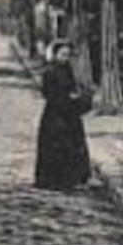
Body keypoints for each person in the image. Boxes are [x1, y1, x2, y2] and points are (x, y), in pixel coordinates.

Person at [34, 41, 92, 191]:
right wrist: (65, 98)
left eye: (67, 55)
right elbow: (48, 93)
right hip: (55, 115)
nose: (65, 58)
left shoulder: (68, 70)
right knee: (55, 146)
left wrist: (76, 97)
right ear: (55, 55)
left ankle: (72, 178)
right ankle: (52, 179)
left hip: (70, 115)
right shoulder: (50, 71)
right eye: (62, 54)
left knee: (73, 145)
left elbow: (72, 87)